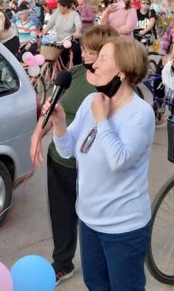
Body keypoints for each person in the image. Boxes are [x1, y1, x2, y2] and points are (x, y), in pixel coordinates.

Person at [48, 37, 154, 291]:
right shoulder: (91, 101)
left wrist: (101, 120)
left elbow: (119, 160)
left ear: (123, 71)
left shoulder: (140, 113)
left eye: (103, 58)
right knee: (95, 284)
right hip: (89, 219)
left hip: (124, 226)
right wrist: (59, 123)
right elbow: (67, 150)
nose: (94, 64)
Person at [30, 25, 119, 285]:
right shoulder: (75, 73)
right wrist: (37, 135)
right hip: (60, 158)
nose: (85, 55)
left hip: (92, 167)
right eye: (85, 50)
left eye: (93, 52)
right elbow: (53, 110)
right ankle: (62, 263)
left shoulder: (116, 86)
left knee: (96, 221)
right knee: (61, 214)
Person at [42, 0, 83, 67]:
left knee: (76, 52)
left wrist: (77, 32)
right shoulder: (57, 12)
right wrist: (44, 32)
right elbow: (50, 23)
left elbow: (78, 25)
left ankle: (77, 68)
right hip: (59, 40)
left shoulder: (74, 14)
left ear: (66, 7)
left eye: (60, 6)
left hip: (70, 39)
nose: (58, 8)